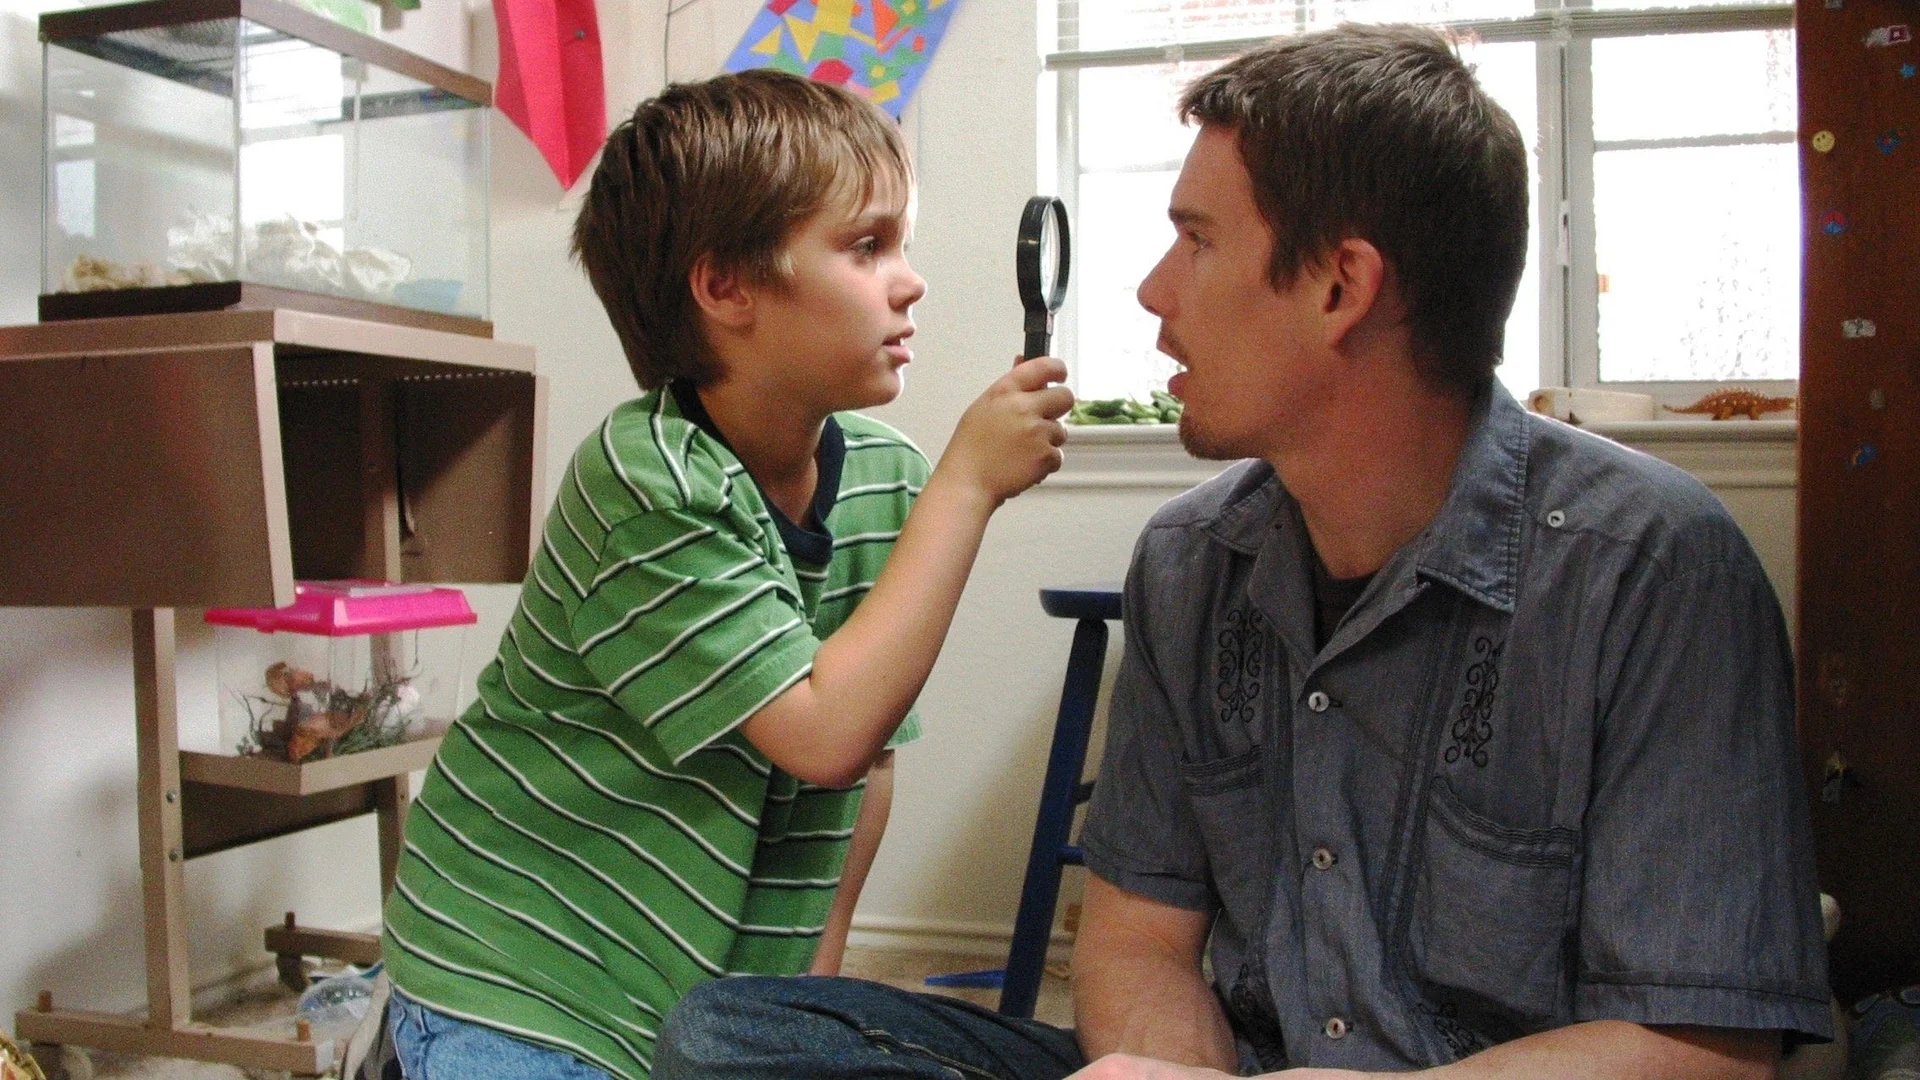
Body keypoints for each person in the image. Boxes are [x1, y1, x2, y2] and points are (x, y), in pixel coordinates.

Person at [650, 23, 1832, 1080]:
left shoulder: (1653, 571)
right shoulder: (1191, 562)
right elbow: (1134, 944)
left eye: (1196, 241)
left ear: (1341, 286)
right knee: (734, 1033)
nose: (1152, 290)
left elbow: (1704, 1050)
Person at [377, 69, 1075, 1080]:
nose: (909, 281)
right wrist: (969, 486)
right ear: (727, 288)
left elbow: (869, 760)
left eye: (902, 244)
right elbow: (825, 735)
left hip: (695, 984)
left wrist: (811, 997)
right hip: (515, 974)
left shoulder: (888, 480)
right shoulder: (648, 480)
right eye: (867, 246)